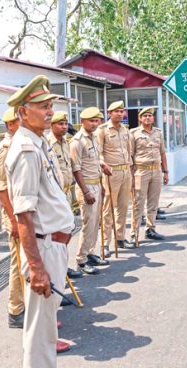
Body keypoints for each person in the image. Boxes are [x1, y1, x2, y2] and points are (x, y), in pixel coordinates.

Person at [4, 75, 73, 367]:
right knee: (40, 334)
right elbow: (23, 215)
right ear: (23, 112)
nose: (49, 111)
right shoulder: (27, 150)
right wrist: (36, 268)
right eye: (42, 106)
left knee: (45, 327)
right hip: (43, 249)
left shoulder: (38, 142)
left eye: (50, 105)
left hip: (53, 245)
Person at [0, 107, 25, 328]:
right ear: (10, 125)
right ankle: (15, 311)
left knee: (28, 262)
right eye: (19, 121)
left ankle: (29, 307)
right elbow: (2, 188)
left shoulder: (20, 144)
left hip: (24, 214)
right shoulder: (5, 148)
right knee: (18, 263)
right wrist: (14, 221)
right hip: (14, 216)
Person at [70, 107, 110, 275]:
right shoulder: (77, 141)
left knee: (95, 224)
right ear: (83, 121)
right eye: (92, 121)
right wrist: (86, 191)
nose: (95, 124)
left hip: (96, 184)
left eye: (97, 121)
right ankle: (81, 260)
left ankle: (90, 252)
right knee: (88, 225)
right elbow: (76, 168)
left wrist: (102, 165)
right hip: (86, 187)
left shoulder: (93, 138)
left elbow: (95, 158)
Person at [96, 100, 135, 250]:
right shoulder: (102, 130)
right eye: (116, 111)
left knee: (124, 207)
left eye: (122, 111)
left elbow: (128, 152)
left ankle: (120, 237)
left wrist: (131, 172)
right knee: (109, 209)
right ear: (109, 113)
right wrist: (103, 164)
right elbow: (98, 153)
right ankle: (105, 242)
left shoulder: (125, 130)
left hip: (125, 171)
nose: (120, 113)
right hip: (111, 173)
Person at [48, 111, 83, 279]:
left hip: (67, 194)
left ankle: (63, 266)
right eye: (59, 124)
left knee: (66, 232)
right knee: (55, 237)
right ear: (51, 125)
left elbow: (72, 167)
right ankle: (55, 271)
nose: (64, 127)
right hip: (54, 197)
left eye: (65, 124)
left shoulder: (66, 143)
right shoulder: (47, 144)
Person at [129, 107, 168, 241]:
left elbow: (162, 152)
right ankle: (134, 232)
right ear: (140, 118)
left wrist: (166, 171)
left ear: (153, 118)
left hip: (156, 171)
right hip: (141, 171)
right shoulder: (133, 133)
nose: (147, 118)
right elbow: (130, 155)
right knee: (138, 203)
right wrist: (131, 176)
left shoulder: (158, 132)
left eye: (149, 116)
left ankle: (150, 229)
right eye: (144, 115)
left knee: (153, 202)